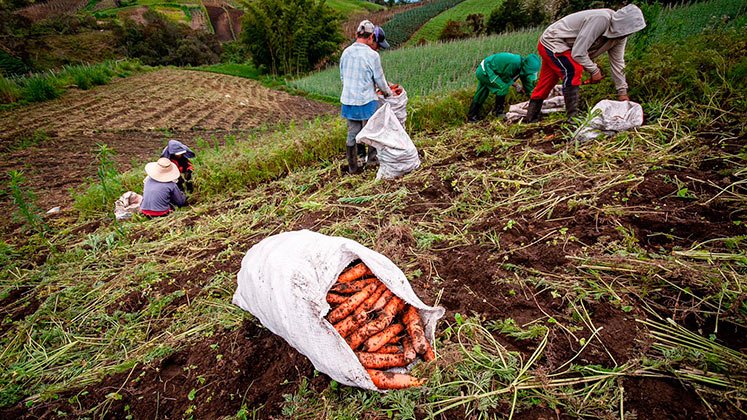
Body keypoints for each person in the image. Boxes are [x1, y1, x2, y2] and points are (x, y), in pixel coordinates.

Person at [525, 4, 646, 123]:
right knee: (573, 70)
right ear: (624, 24)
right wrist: (594, 71)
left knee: (547, 82)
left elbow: (618, 64)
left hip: (565, 47)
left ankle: (531, 117)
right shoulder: (602, 19)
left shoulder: (619, 37)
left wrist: (622, 93)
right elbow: (578, 53)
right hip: (553, 42)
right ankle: (573, 117)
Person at [340, 19, 393, 174]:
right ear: (370, 38)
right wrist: (387, 93)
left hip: (348, 100)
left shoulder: (346, 52)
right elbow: (380, 81)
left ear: (357, 34)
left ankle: (353, 167)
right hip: (366, 101)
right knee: (372, 130)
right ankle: (371, 161)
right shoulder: (372, 55)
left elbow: (343, 77)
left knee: (352, 133)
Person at [467, 52, 540, 122]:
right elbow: (505, 78)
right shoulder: (514, 62)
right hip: (486, 70)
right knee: (502, 88)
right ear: (526, 66)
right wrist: (516, 85)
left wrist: (534, 98)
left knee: (482, 93)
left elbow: (528, 85)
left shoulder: (524, 70)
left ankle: (472, 116)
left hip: (491, 71)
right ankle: (498, 113)